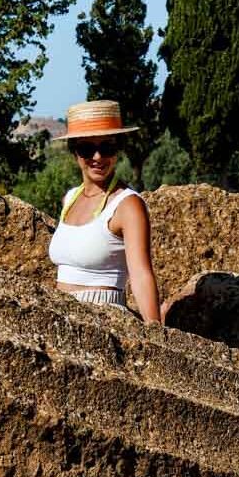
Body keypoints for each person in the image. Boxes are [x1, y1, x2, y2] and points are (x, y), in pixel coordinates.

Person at [48, 100, 161, 323]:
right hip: (61, 317)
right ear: (75, 153)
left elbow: (140, 274)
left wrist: (156, 334)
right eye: (87, 149)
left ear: (117, 150)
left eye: (107, 147)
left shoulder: (128, 205)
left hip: (105, 321)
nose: (98, 157)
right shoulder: (70, 198)